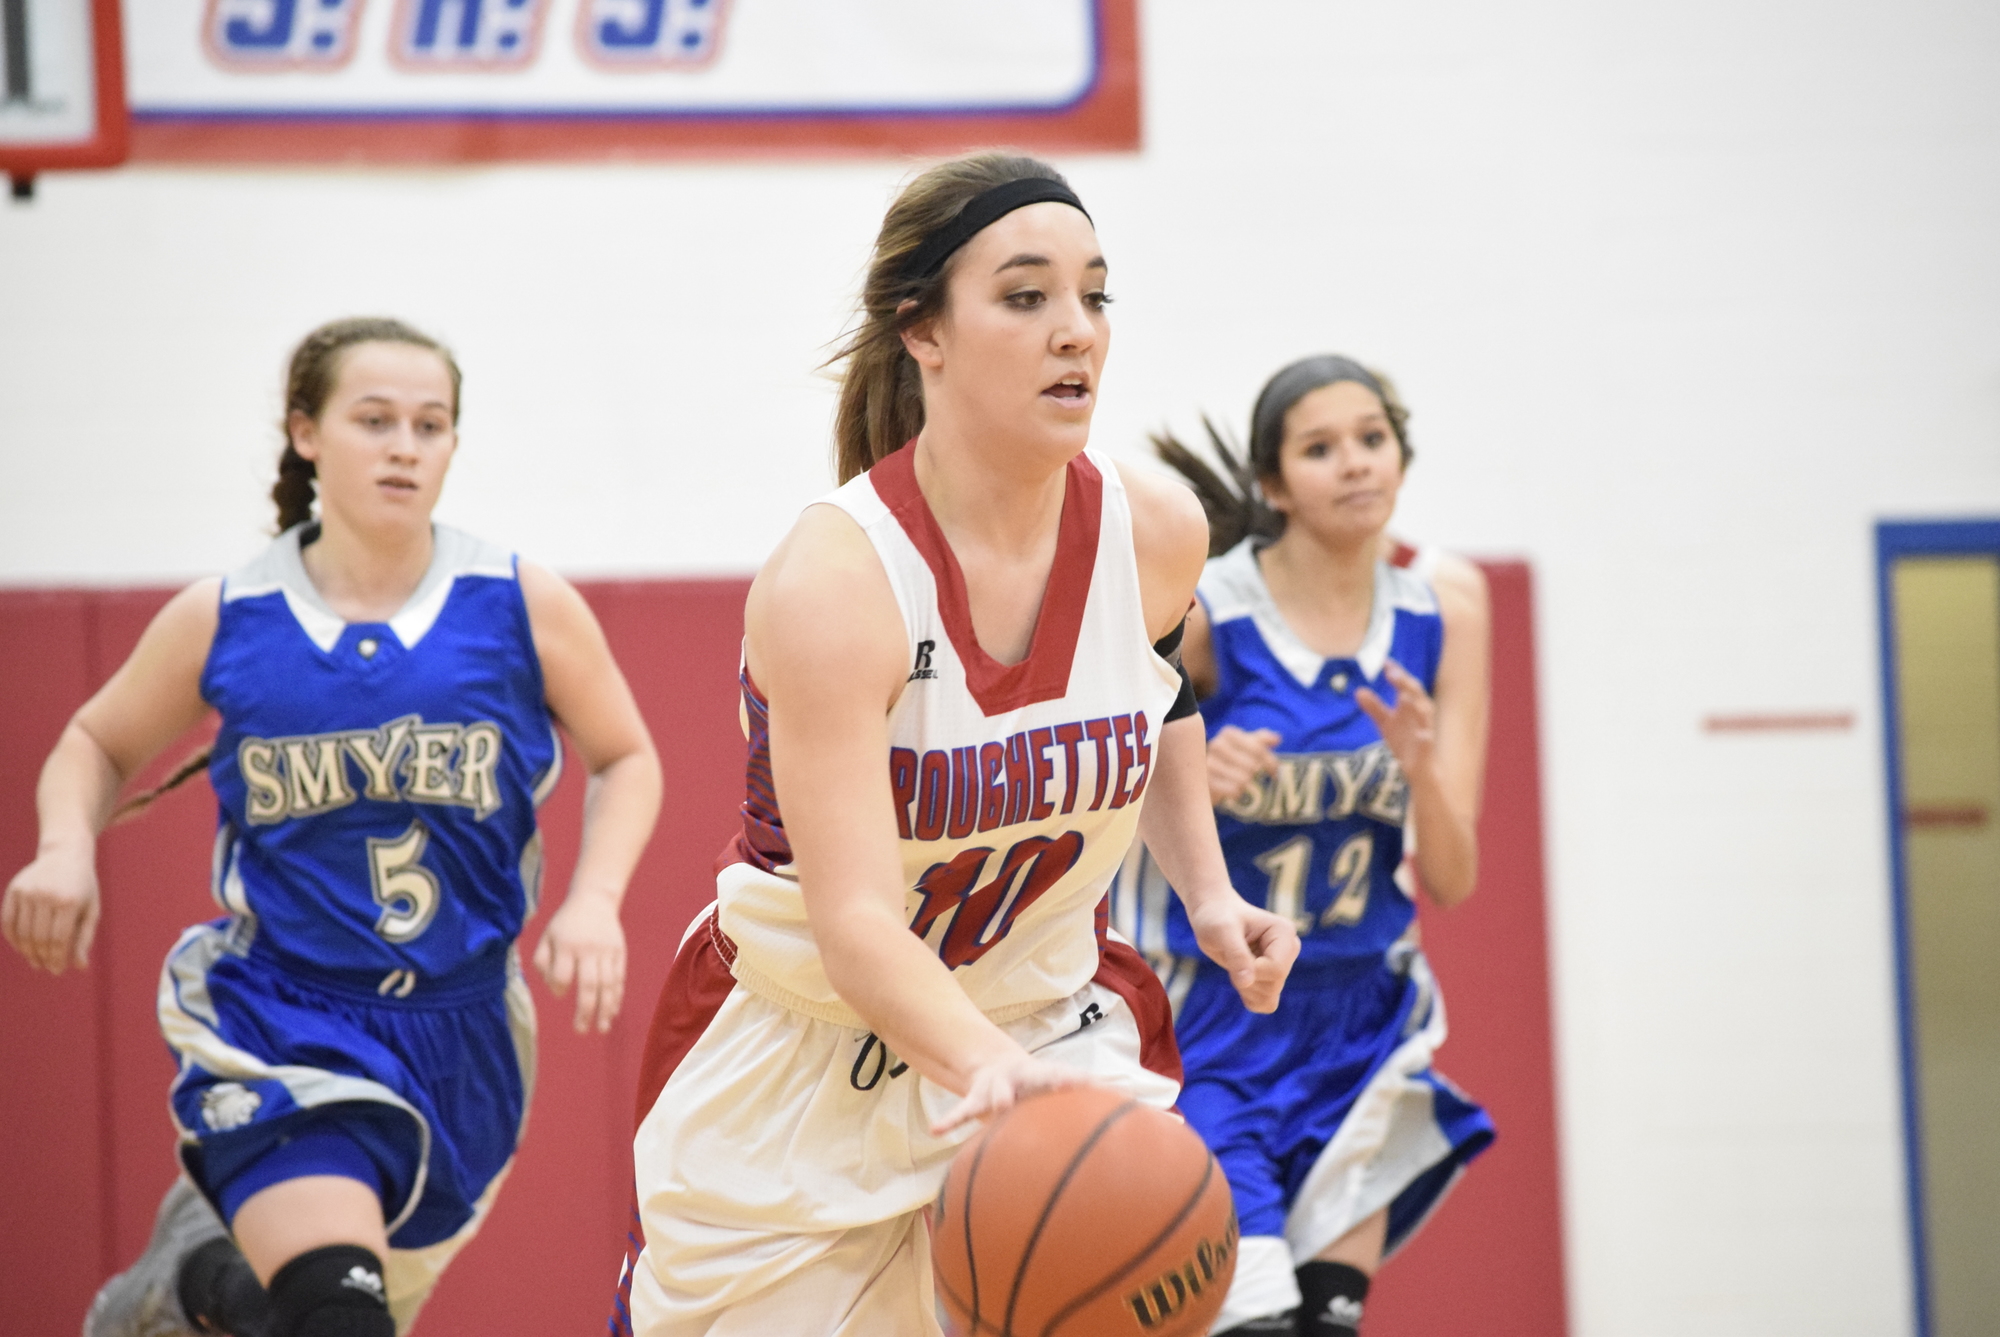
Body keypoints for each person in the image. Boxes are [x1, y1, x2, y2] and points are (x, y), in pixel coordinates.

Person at [614, 153, 1301, 1337]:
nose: (1075, 329)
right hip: (805, 1054)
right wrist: (988, 1068)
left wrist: (1205, 889)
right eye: (1025, 296)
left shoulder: (1153, 527)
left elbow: (1162, 696)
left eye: (1093, 294)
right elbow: (855, 920)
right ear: (921, 331)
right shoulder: (836, 580)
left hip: (1044, 1013)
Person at [1, 317, 663, 1337]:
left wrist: (595, 900)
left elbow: (626, 755)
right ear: (305, 432)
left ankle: (190, 1286)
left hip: (464, 1030)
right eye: (375, 420)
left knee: (323, 1306)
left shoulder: (518, 603)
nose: (405, 446)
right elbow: (96, 739)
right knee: (337, 1314)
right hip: (281, 1014)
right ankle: (211, 1277)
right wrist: (62, 848)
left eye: (430, 425)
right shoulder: (230, 614)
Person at [1113, 357, 1496, 1337]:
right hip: (1217, 1014)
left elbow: (1452, 877)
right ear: (1273, 485)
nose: (1355, 463)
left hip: (1364, 1021)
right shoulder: (1208, 609)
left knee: (1328, 1324)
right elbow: (1095, 796)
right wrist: (1190, 775)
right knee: (1250, 1324)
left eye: (1371, 438)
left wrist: (1421, 772)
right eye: (1319, 448)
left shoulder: (1444, 604)